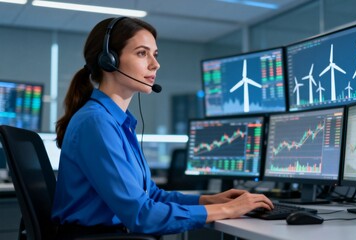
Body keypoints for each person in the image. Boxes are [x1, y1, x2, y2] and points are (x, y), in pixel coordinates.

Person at [52, 17, 273, 237]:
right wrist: (226, 209)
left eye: (154, 55)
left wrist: (209, 200)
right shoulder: (97, 122)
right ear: (108, 60)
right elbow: (142, 215)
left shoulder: (117, 122)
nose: (155, 64)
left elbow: (151, 195)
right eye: (142, 53)